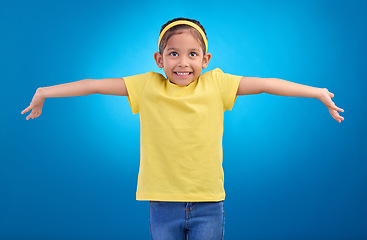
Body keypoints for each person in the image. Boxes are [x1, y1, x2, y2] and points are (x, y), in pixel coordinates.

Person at [21, 17, 344, 240]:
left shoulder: (217, 83)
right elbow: (93, 85)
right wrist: (45, 92)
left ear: (205, 59)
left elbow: (267, 85)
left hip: (208, 202)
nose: (183, 62)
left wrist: (316, 92)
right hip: (162, 202)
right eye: (173, 54)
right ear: (159, 58)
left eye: (192, 54)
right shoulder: (147, 86)